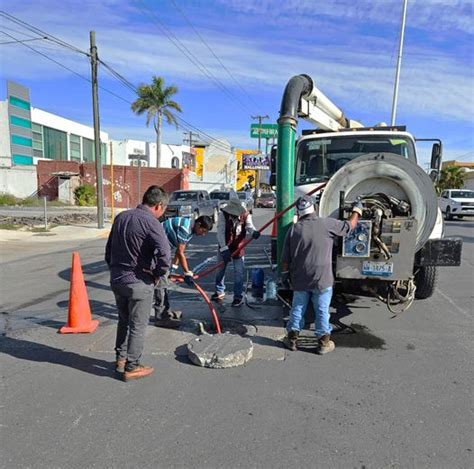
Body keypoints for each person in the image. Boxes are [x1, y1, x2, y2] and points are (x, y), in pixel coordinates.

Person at [281, 195, 362, 355]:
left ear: (299, 211)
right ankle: (324, 343)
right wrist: (357, 210)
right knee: (322, 310)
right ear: (315, 208)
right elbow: (350, 226)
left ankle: (291, 339)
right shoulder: (327, 224)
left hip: (300, 279)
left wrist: (284, 277)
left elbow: (285, 261)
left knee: (297, 308)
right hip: (322, 280)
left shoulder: (293, 230)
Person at [105, 185, 171, 382]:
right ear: (159, 205)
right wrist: (157, 274)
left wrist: (115, 270)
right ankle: (132, 366)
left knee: (123, 320)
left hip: (117, 279)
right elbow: (165, 255)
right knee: (138, 325)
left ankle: (121, 358)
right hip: (139, 282)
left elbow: (109, 251)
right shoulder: (152, 223)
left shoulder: (121, 217)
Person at [153, 215, 213, 327]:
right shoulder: (185, 228)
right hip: (154, 251)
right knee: (161, 284)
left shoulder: (190, 229)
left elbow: (178, 249)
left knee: (164, 282)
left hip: (162, 250)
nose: (202, 234)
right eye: (202, 231)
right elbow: (181, 252)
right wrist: (187, 273)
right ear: (198, 224)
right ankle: (160, 317)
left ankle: (165, 312)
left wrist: (173, 269)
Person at [211, 199, 261, 307]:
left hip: (238, 247)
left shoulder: (246, 215)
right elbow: (220, 232)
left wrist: (254, 232)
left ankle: (238, 296)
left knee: (239, 273)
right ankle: (219, 290)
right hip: (224, 245)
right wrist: (224, 249)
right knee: (220, 270)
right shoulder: (223, 215)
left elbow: (249, 226)